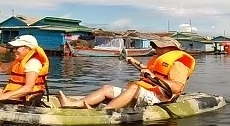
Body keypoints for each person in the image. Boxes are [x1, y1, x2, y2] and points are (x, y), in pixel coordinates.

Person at [56, 37, 195, 110]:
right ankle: (75, 104)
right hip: (147, 93)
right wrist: (135, 62)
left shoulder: (179, 64)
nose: (155, 49)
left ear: (171, 48)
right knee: (107, 89)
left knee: (134, 88)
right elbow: (150, 73)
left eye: (158, 47)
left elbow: (177, 87)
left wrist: (153, 77)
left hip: (161, 99)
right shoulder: (159, 61)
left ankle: (106, 111)